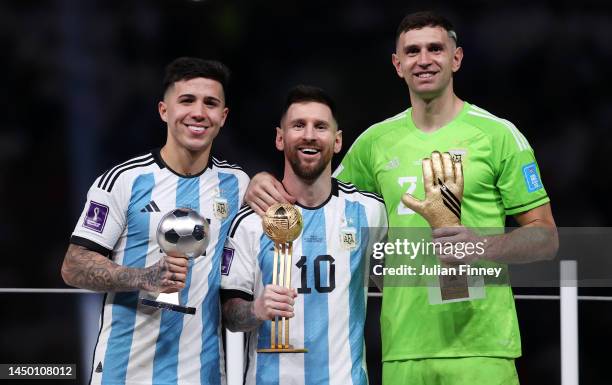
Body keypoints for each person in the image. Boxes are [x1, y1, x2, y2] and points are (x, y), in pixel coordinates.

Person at [244, 11, 558, 385]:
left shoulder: (498, 136)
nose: (423, 59)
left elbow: (545, 237)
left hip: (482, 345)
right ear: (398, 64)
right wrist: (261, 180)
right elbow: (316, 197)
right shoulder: (375, 143)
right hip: (402, 348)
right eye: (412, 51)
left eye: (435, 49)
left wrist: (482, 246)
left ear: (456, 58)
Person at [61, 57, 250, 385]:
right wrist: (145, 277)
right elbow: (73, 266)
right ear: (164, 111)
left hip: (204, 374)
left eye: (210, 103)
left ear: (223, 117)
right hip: (125, 371)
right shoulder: (124, 180)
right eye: (187, 100)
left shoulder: (239, 185)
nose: (198, 112)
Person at [221, 85, 387, 385]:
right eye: (298, 125)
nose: (309, 134)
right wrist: (256, 309)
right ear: (280, 138)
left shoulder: (370, 212)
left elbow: (414, 271)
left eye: (320, 126)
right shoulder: (250, 221)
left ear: (337, 141)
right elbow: (229, 315)